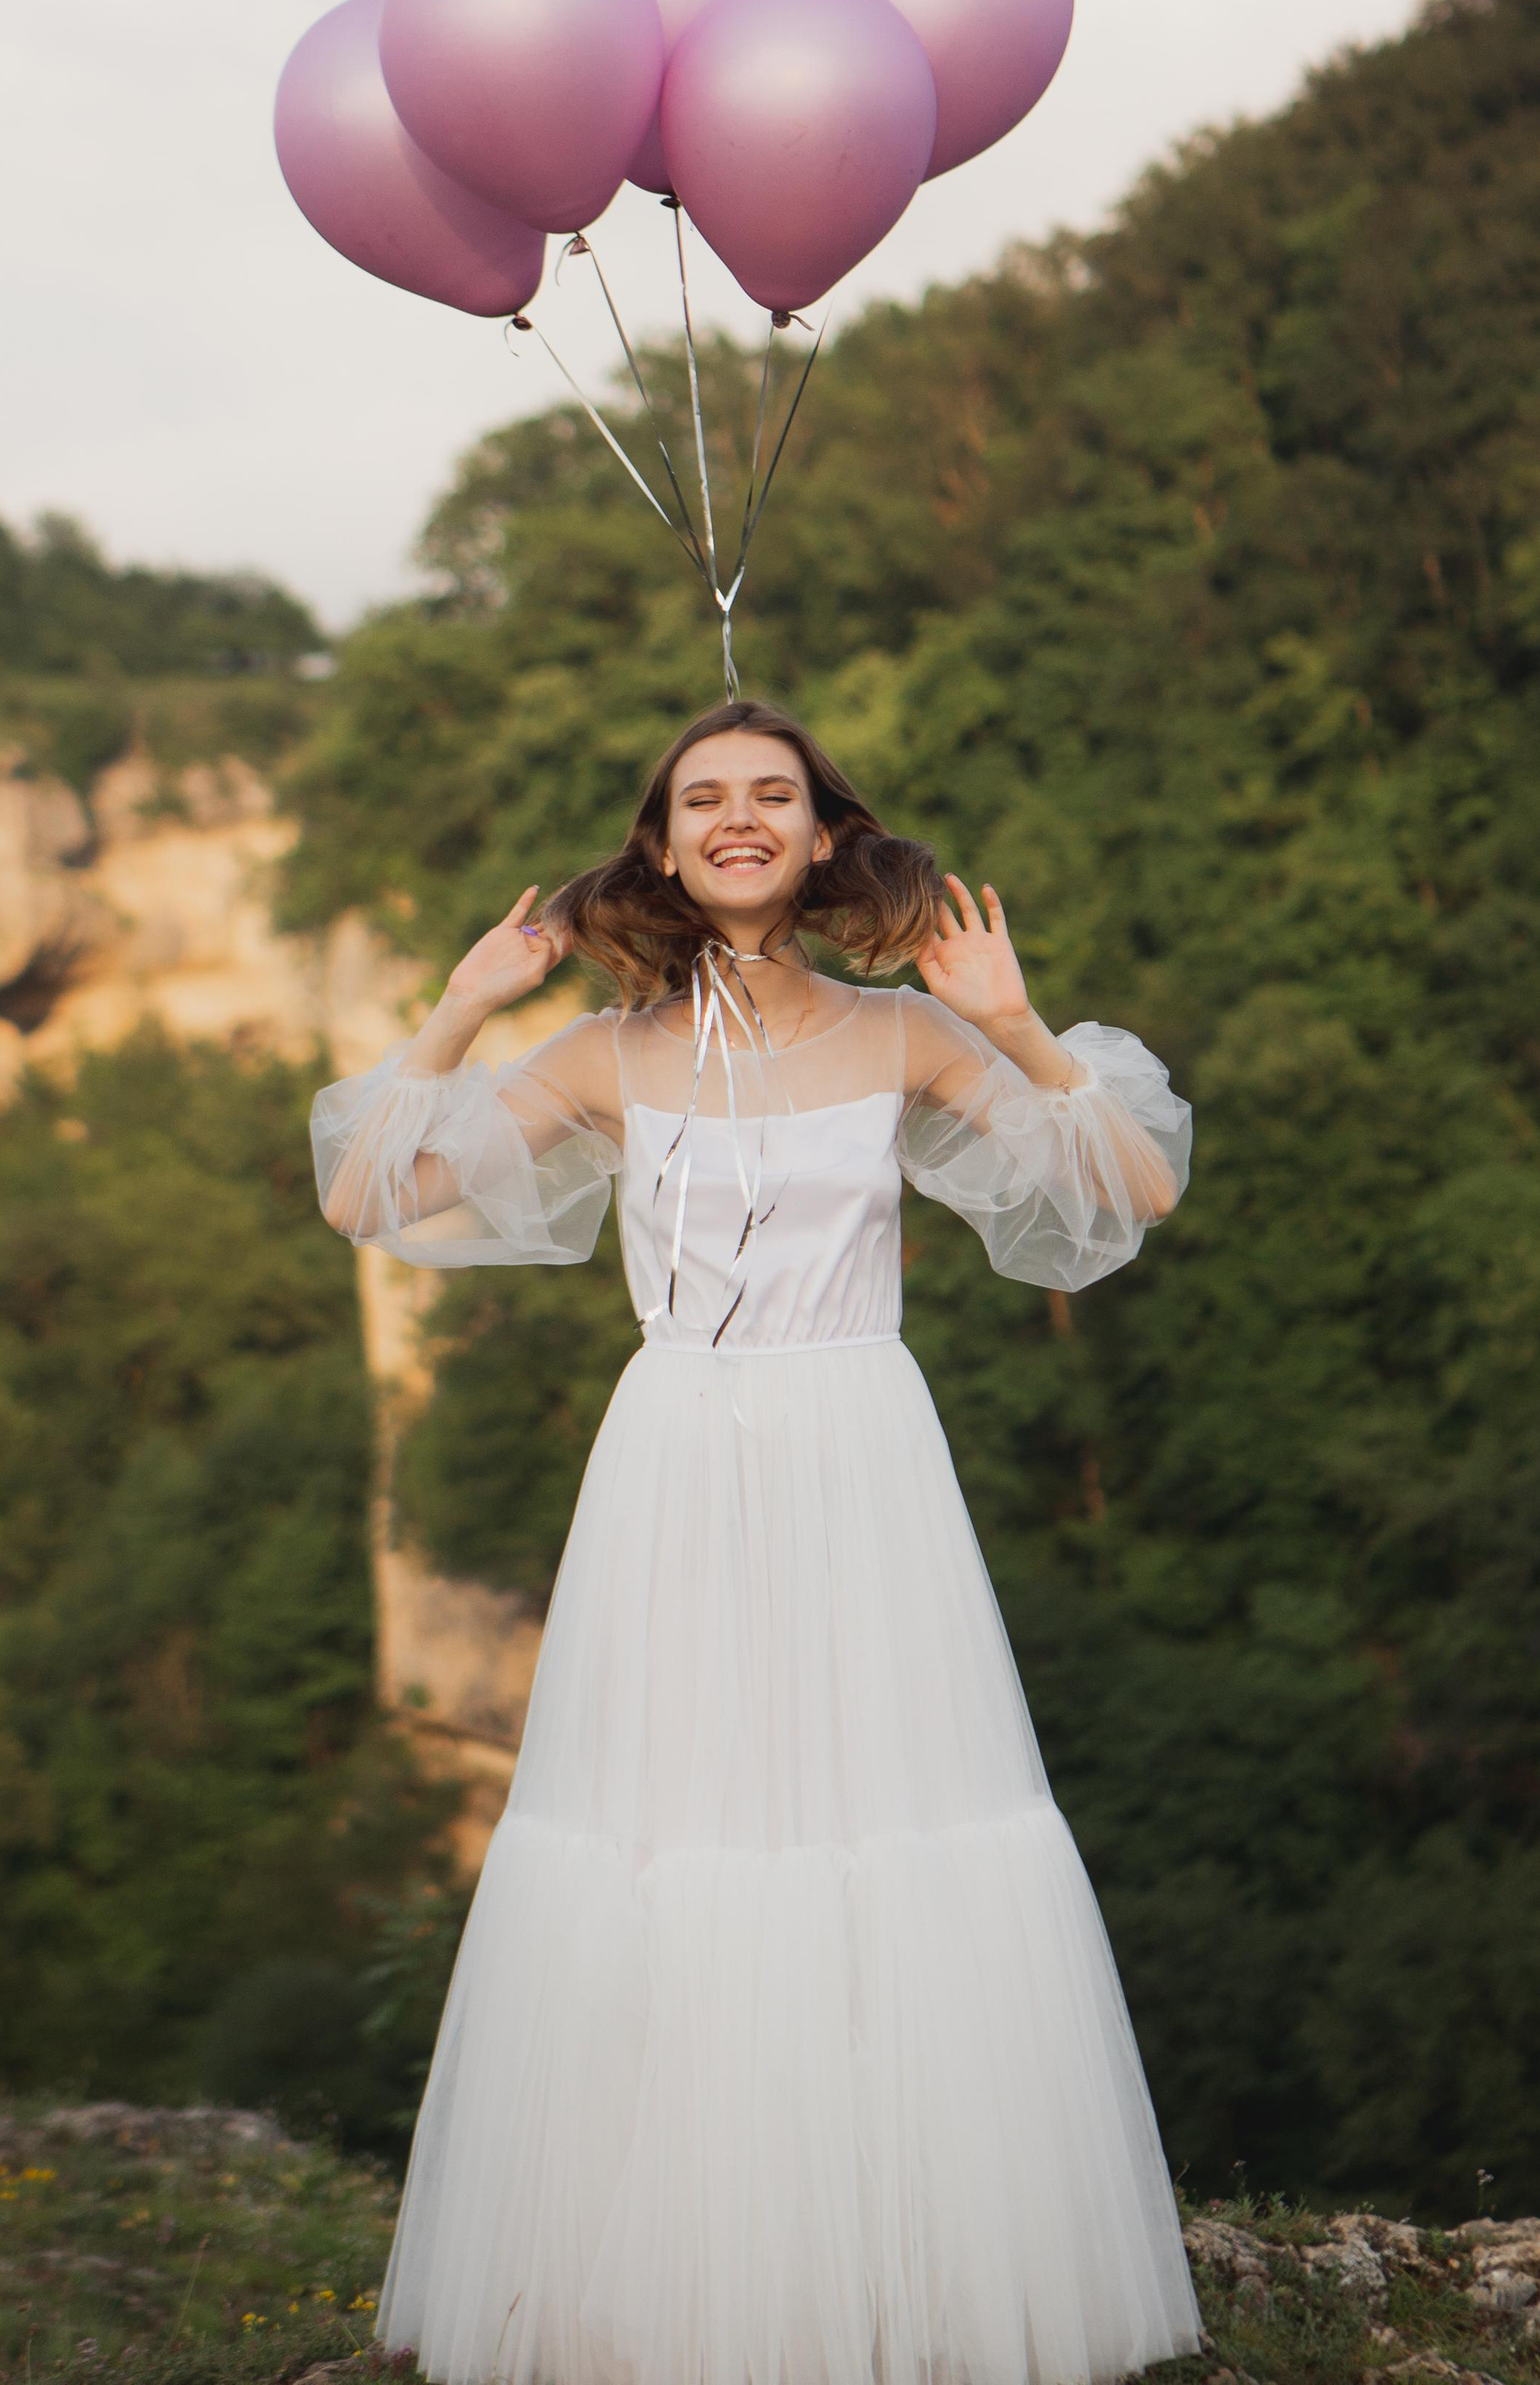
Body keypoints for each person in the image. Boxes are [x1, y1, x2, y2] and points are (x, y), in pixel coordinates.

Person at [311, 700, 1201, 2385]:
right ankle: (670, 2285)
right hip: (671, 1468)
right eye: (701, 798)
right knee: (672, 1831)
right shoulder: (601, 1054)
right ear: (657, 843)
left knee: (889, 1821)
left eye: (769, 797)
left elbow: (1123, 1196)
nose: (735, 818)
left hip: (856, 1450)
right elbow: (371, 1200)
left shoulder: (893, 1039)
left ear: (815, 836)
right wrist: (456, 1012)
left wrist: (1013, 1027)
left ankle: (898, 2274)